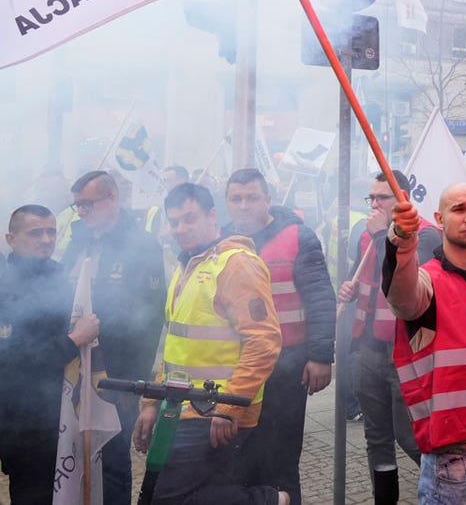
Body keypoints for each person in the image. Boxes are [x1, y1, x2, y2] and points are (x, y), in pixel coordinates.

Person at [132, 183, 284, 505]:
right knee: (161, 495)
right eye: (174, 222)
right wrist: (150, 403)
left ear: (212, 215)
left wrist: (229, 405)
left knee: (166, 498)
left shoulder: (235, 264)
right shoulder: (186, 266)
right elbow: (172, 348)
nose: (180, 229)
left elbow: (264, 342)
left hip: (214, 411)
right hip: (179, 408)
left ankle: (273, 500)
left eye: (189, 219)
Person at [224, 168, 336, 505]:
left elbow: (319, 297)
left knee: (280, 461)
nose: (244, 206)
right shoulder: (220, 240)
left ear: (268, 200)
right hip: (236, 370)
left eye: (252, 197)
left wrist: (320, 356)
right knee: (237, 463)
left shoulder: (299, 237)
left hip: (285, 371)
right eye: (236, 198)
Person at [384, 182, 466, 504]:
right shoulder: (427, 281)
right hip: (456, 456)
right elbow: (402, 297)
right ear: (439, 218)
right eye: (458, 209)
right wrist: (402, 242)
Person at [61, 170, 165, 505]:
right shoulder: (78, 239)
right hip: (74, 367)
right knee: (75, 455)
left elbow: (149, 318)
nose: (82, 212)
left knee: (113, 461)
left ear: (112, 199)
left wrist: (132, 381)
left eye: (88, 204)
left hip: (116, 373)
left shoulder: (141, 244)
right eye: (77, 206)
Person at [336, 171, 439, 504]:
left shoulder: (424, 236)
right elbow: (363, 273)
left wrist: (383, 235)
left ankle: (447, 489)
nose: (375, 205)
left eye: (383, 198)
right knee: (377, 439)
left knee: (409, 436)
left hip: (406, 352)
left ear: (403, 199)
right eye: (372, 198)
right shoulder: (367, 236)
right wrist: (350, 290)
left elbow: (400, 279)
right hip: (368, 349)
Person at [0, 205, 100, 504]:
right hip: (20, 417)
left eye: (51, 231)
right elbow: (11, 361)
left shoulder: (60, 276)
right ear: (10, 238)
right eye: (35, 233)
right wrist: (73, 340)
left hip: (58, 412)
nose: (46, 239)